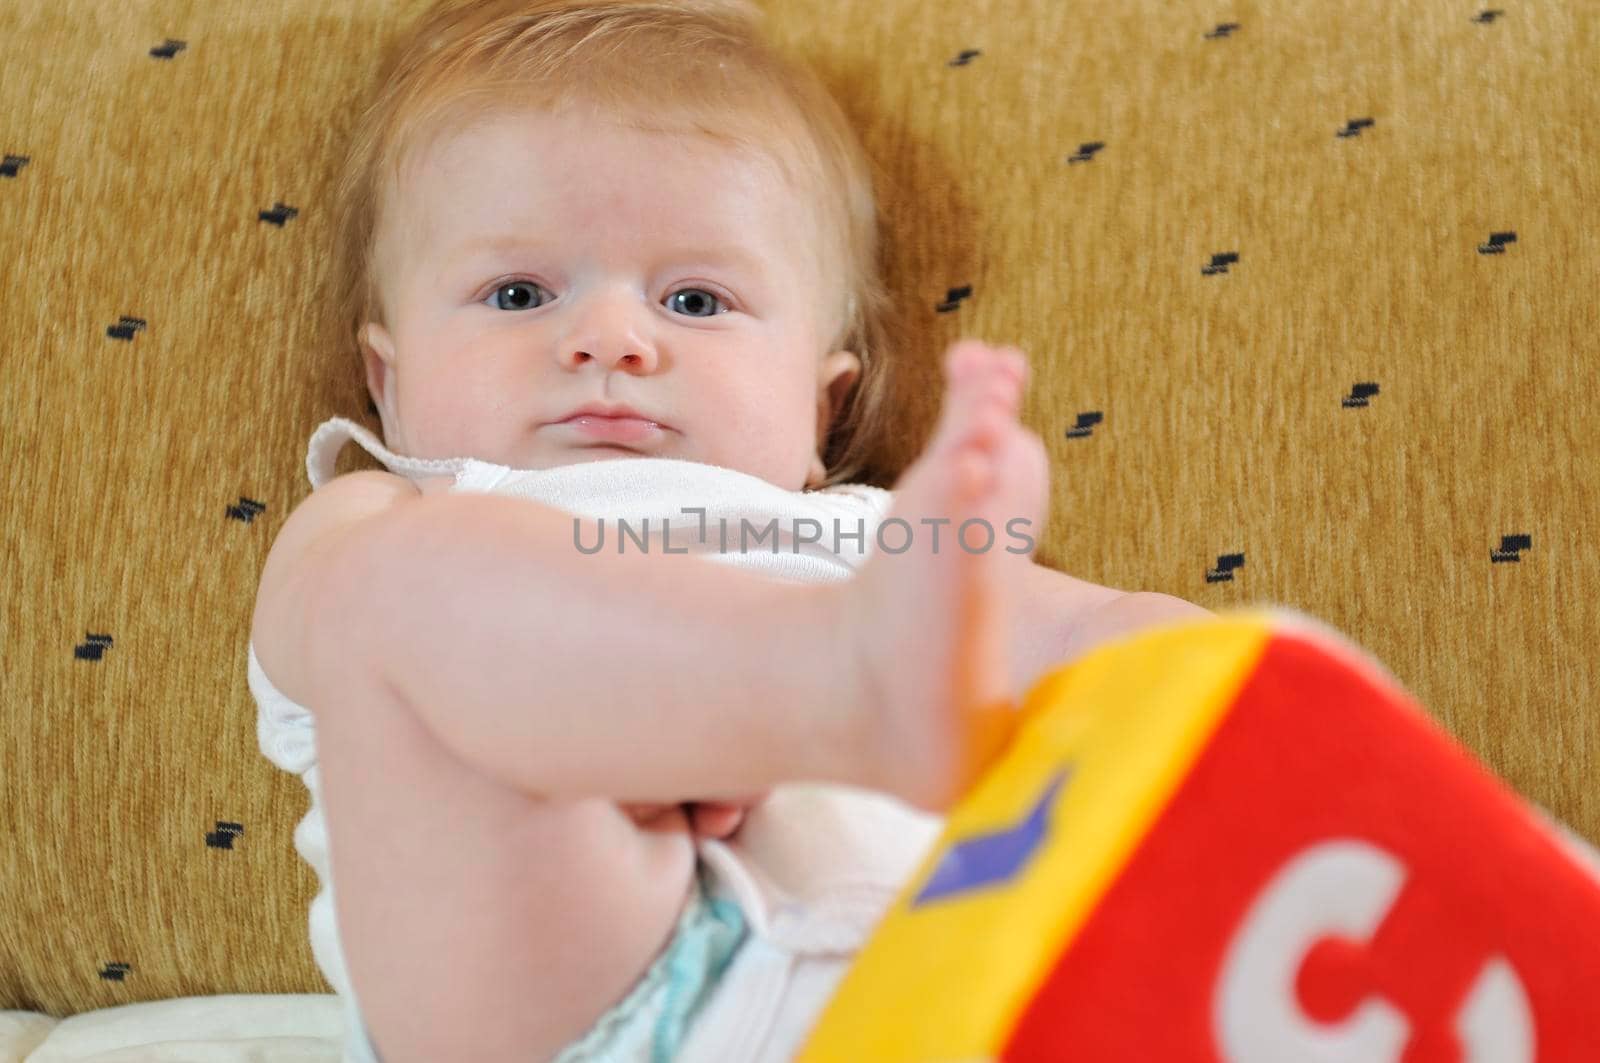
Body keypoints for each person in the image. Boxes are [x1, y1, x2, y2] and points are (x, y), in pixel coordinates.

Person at [249, 1, 1214, 1060]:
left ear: (822, 409)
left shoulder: (872, 541)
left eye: (697, 301)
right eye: (517, 291)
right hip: (576, 991)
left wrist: (1219, 680)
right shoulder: (393, 518)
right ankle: (821, 683)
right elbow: (352, 607)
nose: (609, 339)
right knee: (392, 592)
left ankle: (844, 686)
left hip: (925, 996)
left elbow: (1103, 638)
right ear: (388, 384)